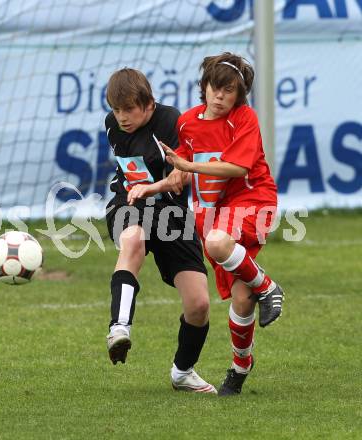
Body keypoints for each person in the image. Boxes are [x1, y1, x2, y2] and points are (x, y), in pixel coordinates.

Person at [161, 52, 285, 396]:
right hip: (212, 213)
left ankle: (269, 287)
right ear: (204, 87)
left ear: (239, 95)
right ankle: (241, 365)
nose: (220, 96)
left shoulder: (245, 118)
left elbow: (238, 169)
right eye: (215, 87)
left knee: (217, 243)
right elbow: (183, 164)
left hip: (253, 200)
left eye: (229, 91)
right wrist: (175, 174)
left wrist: (188, 167)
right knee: (242, 299)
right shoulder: (186, 122)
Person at [104, 68, 216, 393]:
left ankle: (182, 372)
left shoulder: (171, 122)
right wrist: (140, 193)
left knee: (199, 305)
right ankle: (119, 328)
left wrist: (151, 189)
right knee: (133, 240)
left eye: (129, 109)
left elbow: (180, 178)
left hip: (170, 210)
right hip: (128, 202)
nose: (121, 117)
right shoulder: (113, 126)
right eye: (116, 109)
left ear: (149, 104)